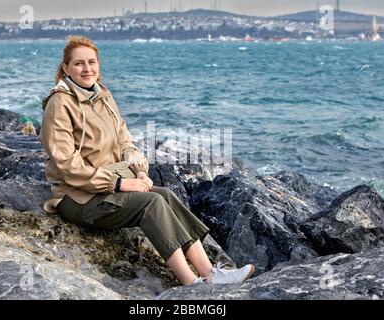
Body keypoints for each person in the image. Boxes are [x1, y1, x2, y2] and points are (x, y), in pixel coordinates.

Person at [39, 35, 255, 286]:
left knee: (166, 195)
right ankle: (190, 284)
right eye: (78, 64)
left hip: (106, 187)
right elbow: (67, 166)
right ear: (66, 68)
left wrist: (137, 170)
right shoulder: (60, 104)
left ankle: (209, 273)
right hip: (77, 198)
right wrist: (119, 184)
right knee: (151, 203)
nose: (87, 69)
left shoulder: (103, 96)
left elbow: (124, 141)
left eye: (92, 62)